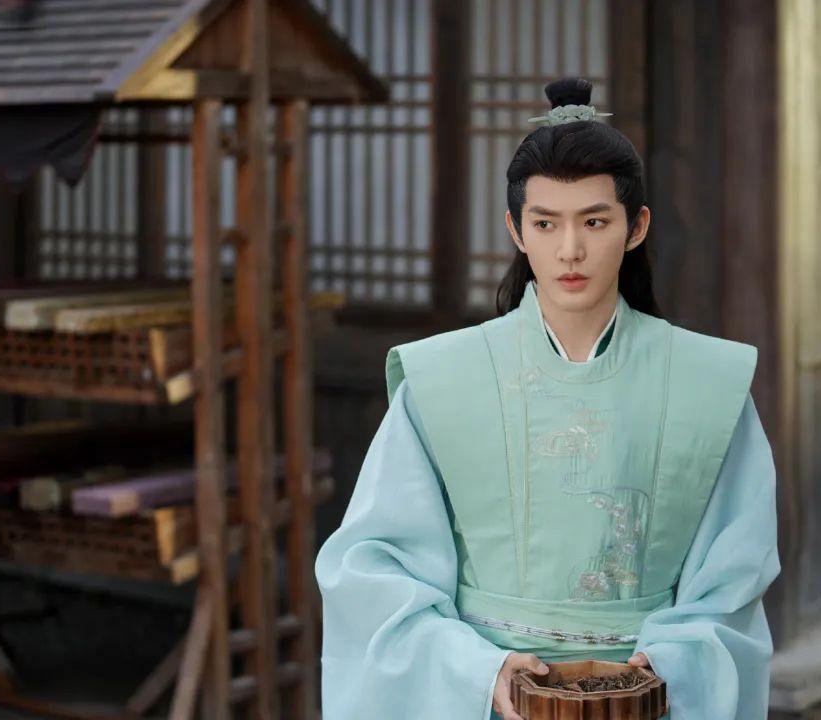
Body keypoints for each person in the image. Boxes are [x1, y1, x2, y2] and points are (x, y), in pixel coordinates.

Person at [315, 77, 780, 719]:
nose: (570, 250)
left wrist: (671, 664)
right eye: (545, 223)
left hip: (648, 697)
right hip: (487, 696)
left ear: (636, 227)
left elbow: (734, 574)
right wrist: (477, 670)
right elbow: (373, 565)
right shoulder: (444, 378)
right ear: (516, 229)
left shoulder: (708, 382)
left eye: (595, 221)